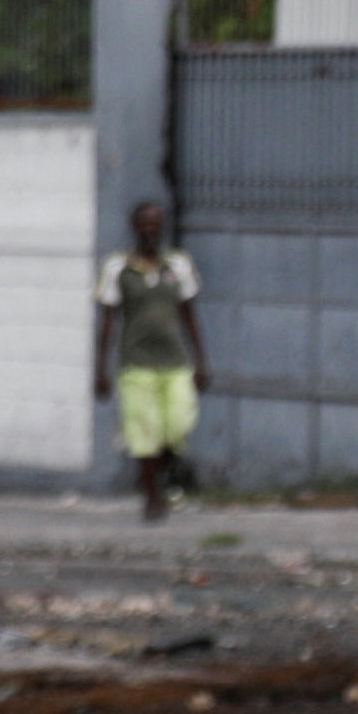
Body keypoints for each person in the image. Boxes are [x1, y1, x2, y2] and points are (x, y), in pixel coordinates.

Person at [92, 200, 207, 521]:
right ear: (134, 227)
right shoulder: (118, 267)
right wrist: (100, 370)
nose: (149, 230)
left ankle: (170, 467)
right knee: (145, 434)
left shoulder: (178, 265)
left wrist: (201, 361)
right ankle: (152, 497)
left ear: (162, 227)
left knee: (178, 425)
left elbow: (190, 315)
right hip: (136, 363)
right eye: (143, 223)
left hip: (175, 362)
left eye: (154, 223)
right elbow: (108, 321)